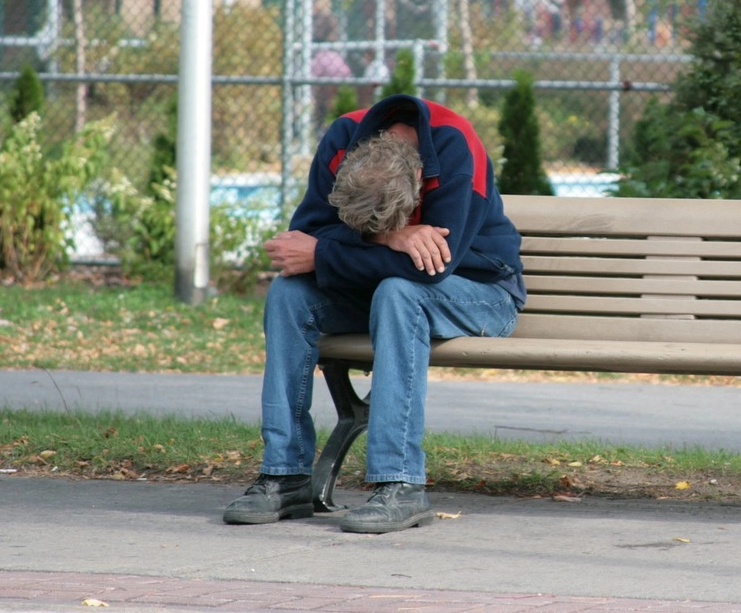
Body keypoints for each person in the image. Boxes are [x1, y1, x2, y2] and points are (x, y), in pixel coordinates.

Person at [224, 94, 527, 533]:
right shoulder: (342, 137)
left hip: (481, 292)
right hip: (381, 287)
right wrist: (388, 237)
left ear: (419, 179)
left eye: (383, 226)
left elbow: (431, 266)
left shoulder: (456, 143)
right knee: (288, 293)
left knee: (400, 292)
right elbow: (306, 233)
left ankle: (400, 484)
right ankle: (285, 475)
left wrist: (328, 251)